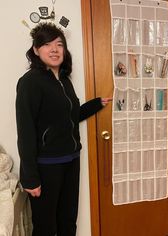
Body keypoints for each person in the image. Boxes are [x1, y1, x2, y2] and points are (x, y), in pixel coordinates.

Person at [15, 22, 112, 236]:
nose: (54, 49)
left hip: (71, 160)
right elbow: (26, 130)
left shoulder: (63, 80)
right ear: (35, 50)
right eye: (47, 44)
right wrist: (30, 176)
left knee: (68, 221)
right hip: (46, 166)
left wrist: (95, 104)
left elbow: (69, 117)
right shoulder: (30, 82)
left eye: (59, 44)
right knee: (45, 227)